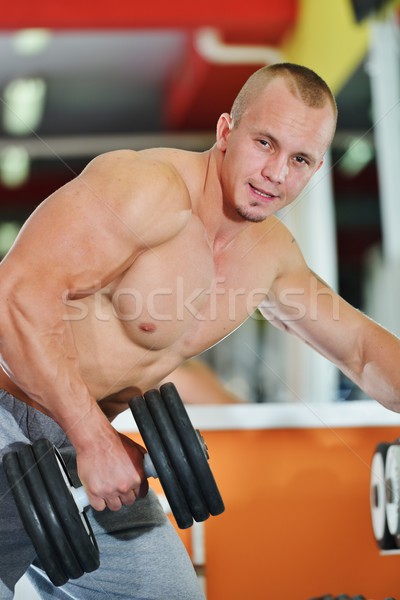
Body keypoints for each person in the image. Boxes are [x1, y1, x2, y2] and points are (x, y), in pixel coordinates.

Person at [0, 62, 399, 599]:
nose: (276, 174)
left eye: (299, 159)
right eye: (265, 143)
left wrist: (91, 441)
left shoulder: (271, 258)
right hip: (19, 411)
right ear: (226, 132)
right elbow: (16, 296)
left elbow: (360, 351)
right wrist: (91, 438)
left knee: (167, 594)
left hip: (82, 443)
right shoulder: (146, 190)